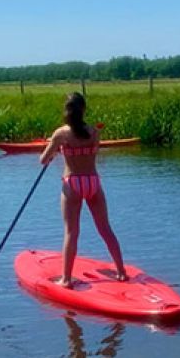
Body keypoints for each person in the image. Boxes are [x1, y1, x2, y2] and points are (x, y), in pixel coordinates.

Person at [39, 92, 126, 287]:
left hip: (73, 182)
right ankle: (121, 272)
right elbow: (94, 152)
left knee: (71, 232)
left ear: (66, 111)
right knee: (105, 229)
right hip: (93, 181)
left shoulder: (61, 134)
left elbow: (43, 160)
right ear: (83, 110)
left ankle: (66, 279)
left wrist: (55, 151)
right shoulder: (95, 132)